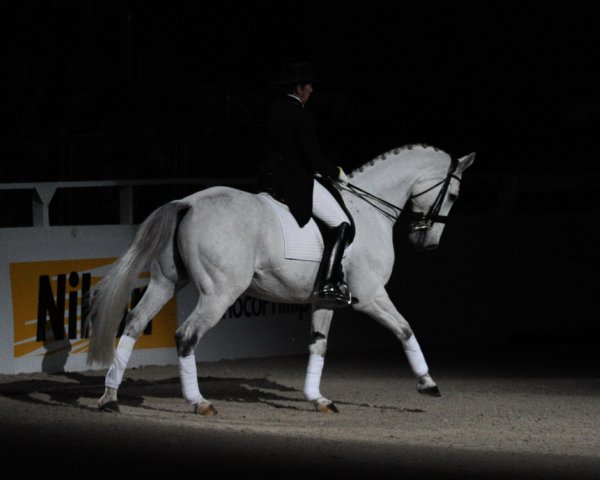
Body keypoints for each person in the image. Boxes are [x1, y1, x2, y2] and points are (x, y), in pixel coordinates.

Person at [261, 62, 355, 306]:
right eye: (309, 86)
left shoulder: (274, 109)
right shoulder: (301, 114)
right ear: (299, 87)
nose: (311, 90)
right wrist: (336, 172)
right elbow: (312, 155)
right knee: (341, 223)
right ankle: (330, 282)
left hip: (271, 179)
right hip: (296, 182)